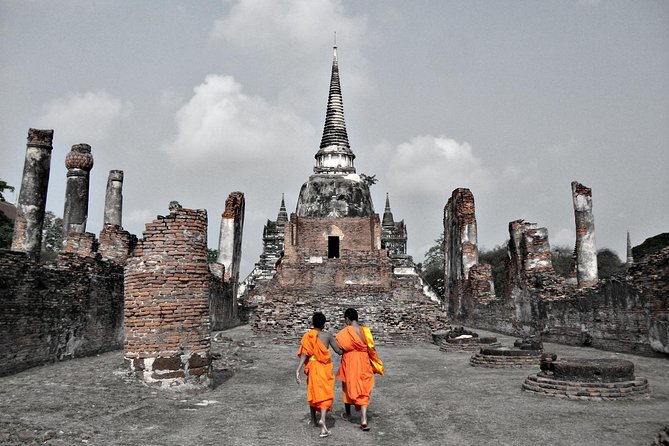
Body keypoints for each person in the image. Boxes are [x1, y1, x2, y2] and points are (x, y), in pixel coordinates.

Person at [296, 312, 343, 438]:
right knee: (325, 393)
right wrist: (348, 347)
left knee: (313, 391)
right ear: (324, 324)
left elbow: (304, 354)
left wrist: (298, 370)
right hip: (324, 368)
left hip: (313, 367)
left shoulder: (308, 336)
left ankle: (314, 420)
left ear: (312, 323)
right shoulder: (327, 336)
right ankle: (322, 419)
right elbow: (338, 351)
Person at [335, 308, 380, 431]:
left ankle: (348, 414)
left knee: (348, 385)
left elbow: (340, 349)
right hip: (364, 360)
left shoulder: (344, 333)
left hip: (350, 361)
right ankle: (364, 418)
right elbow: (371, 347)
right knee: (364, 388)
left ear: (347, 319)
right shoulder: (365, 331)